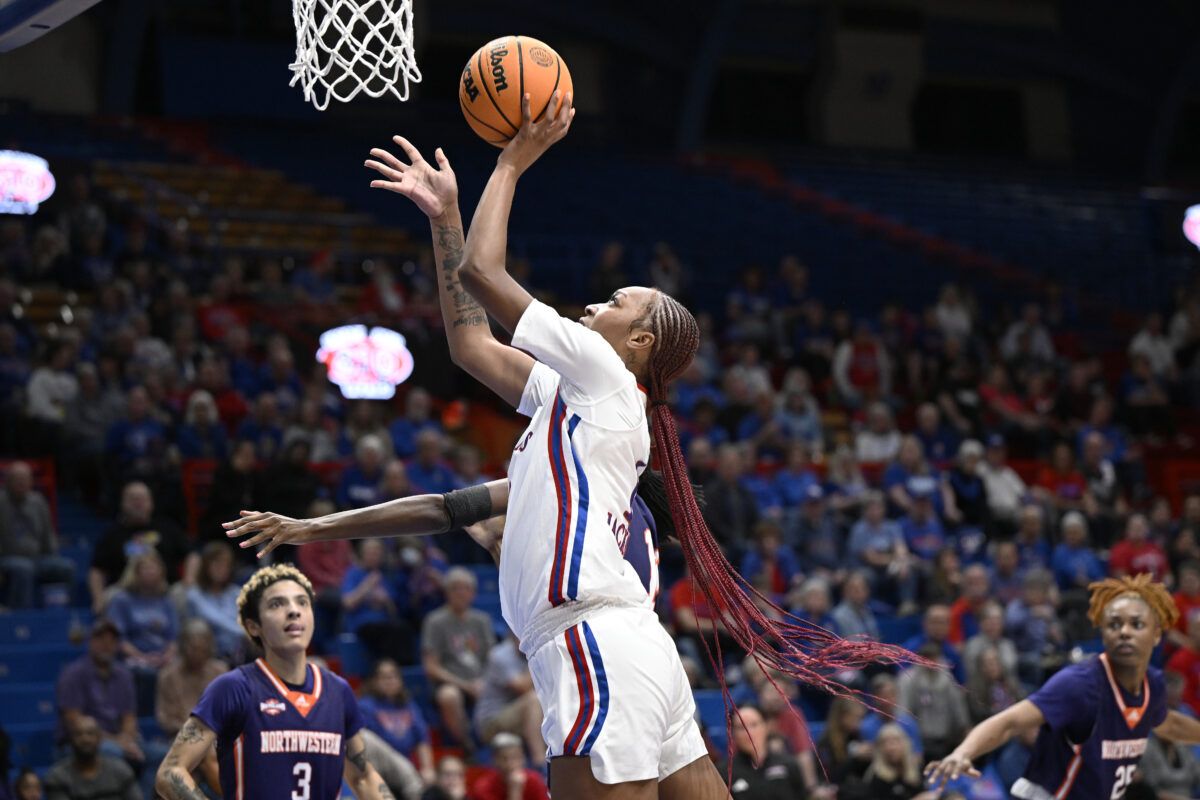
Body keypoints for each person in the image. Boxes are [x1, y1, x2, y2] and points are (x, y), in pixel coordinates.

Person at [359, 102, 916, 799]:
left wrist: (507, 163)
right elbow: (471, 346)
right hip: (639, 646)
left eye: (616, 302)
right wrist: (444, 221)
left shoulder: (599, 370)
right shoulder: (581, 399)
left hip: (592, 640)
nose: (594, 307)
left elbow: (482, 272)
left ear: (641, 342)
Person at [927, 574, 1200, 799]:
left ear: (1156, 634)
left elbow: (1168, 724)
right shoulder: (1080, 684)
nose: (1124, 631)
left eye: (1136, 624)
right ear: (1103, 633)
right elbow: (1009, 721)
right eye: (1114, 624)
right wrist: (964, 752)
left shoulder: (1152, 684)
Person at [155, 564, 393, 800]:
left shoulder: (338, 692)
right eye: (277, 604)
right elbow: (171, 772)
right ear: (253, 626)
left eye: (302, 602)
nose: (293, 611)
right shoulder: (233, 687)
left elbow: (364, 778)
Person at [56, 619, 142, 767]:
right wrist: (116, 742)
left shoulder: (124, 675)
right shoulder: (73, 675)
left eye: (112, 640)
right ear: (90, 642)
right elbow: (74, 722)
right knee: (115, 754)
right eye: (101, 639)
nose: (106, 645)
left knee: (159, 756)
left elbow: (129, 717)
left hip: (118, 740)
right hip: (82, 741)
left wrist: (126, 740)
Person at [0, 460, 74, 607]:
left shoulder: (38, 502)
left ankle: (61, 615)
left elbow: (48, 534)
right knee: (23, 568)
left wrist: (52, 554)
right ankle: (21, 618)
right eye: (17, 480)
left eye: (26, 479)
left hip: (37, 558)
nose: (22, 483)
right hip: (6, 559)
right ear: (7, 481)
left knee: (64, 567)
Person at [357, 659, 434, 795]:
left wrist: (427, 768)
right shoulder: (366, 705)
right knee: (364, 736)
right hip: (377, 765)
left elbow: (422, 738)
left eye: (393, 676)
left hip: (404, 764)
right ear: (374, 681)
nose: (390, 680)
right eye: (384, 677)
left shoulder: (408, 705)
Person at [475, 631, 543, 768]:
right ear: (513, 635)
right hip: (492, 721)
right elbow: (522, 687)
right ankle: (540, 763)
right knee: (533, 699)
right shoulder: (500, 655)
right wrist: (541, 658)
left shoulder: (532, 652)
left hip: (518, 717)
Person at [720, 705, 807, 800]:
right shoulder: (725, 772)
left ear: (766, 726)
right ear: (732, 733)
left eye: (754, 725)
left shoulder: (789, 765)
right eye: (741, 727)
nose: (749, 732)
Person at [44, 715, 141, 800]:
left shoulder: (120, 771)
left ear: (100, 738)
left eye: (90, 733)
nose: (85, 739)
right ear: (70, 740)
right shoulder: (57, 777)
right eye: (79, 734)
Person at [184, 542, 244, 663]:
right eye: (217, 564)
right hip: (208, 655)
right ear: (206, 566)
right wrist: (244, 633)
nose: (221, 569)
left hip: (237, 651)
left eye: (226, 565)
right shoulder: (194, 594)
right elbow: (214, 619)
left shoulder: (236, 593)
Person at [861, 724, 937, 800]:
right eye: (885, 743)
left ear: (905, 744)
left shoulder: (916, 769)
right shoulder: (875, 776)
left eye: (895, 741)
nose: (891, 748)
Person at [467, 732, 549, 800]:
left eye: (515, 757)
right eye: (504, 758)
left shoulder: (534, 780)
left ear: (523, 759)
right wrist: (515, 791)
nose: (510, 764)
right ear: (494, 760)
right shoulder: (484, 787)